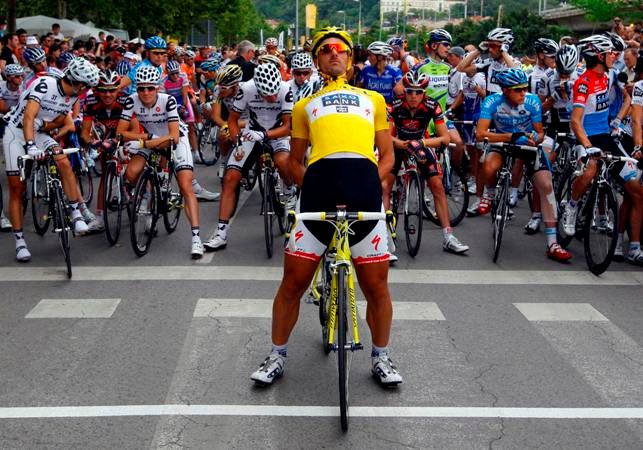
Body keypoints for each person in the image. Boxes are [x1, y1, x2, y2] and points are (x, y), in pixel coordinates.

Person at [250, 27, 402, 387]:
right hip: (316, 202)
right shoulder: (304, 106)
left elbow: (389, 154)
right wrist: (312, 185)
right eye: (327, 50)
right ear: (318, 60)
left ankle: (381, 357)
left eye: (342, 50)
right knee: (292, 284)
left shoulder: (373, 101)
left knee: (377, 288)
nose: (335, 54)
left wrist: (371, 184)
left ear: (350, 60)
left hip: (365, 201)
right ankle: (276, 354)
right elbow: (296, 161)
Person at [3, 58, 99, 262]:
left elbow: (59, 121)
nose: (84, 91)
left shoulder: (72, 96)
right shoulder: (44, 84)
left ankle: (76, 213)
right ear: (76, 82)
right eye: (84, 87)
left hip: (39, 132)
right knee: (16, 189)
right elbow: (28, 117)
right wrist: (30, 146)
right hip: (16, 133)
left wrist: (46, 126)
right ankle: (20, 242)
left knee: (63, 161)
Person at [476, 68, 572, 262]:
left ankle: (553, 243)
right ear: (505, 90)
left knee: (546, 186)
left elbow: (540, 132)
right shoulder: (492, 101)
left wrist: (535, 138)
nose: (523, 93)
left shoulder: (532, 101)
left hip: (525, 144)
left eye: (524, 88)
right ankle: (490, 193)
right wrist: (510, 136)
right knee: (488, 165)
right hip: (502, 141)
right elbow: (480, 133)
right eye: (517, 90)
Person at [563, 35, 643, 265]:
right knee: (589, 171)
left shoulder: (609, 76)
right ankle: (571, 206)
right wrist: (587, 147)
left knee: (635, 186)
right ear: (598, 55)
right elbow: (576, 122)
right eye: (610, 53)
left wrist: (618, 119)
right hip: (584, 137)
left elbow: (628, 97)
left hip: (605, 136)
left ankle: (630, 243)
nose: (615, 56)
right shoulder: (583, 82)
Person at [203, 62, 293, 251]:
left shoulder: (286, 89)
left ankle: (289, 191)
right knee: (230, 177)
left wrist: (266, 135)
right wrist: (236, 141)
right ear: (257, 88)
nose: (272, 97)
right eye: (267, 94)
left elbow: (288, 126)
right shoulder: (246, 89)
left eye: (274, 93)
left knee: (282, 161)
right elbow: (233, 119)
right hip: (252, 134)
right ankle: (221, 233)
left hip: (277, 134)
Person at [117, 65, 205, 259]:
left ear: (157, 87)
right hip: (149, 140)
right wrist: (146, 137)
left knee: (185, 185)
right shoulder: (131, 101)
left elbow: (173, 136)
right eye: (141, 88)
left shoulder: (168, 101)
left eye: (150, 88)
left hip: (175, 141)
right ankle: (148, 201)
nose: (145, 92)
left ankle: (196, 238)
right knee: (131, 173)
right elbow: (120, 132)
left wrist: (145, 140)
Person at [387, 71, 470, 255]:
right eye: (409, 91)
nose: (414, 96)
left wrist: (422, 143)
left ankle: (448, 236)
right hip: (398, 144)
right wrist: (400, 143)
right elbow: (385, 136)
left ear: (424, 92)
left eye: (418, 92)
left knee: (437, 185)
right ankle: (384, 239)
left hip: (420, 144)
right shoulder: (394, 105)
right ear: (404, 91)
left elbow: (445, 138)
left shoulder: (432, 105)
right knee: (385, 185)